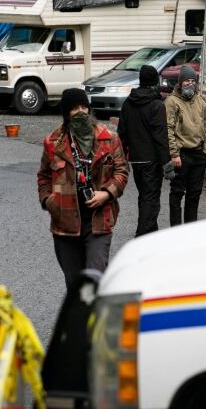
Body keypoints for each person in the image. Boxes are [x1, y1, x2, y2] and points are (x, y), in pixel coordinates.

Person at [37, 88, 129, 291]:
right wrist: (49, 201)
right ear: (66, 113)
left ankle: (95, 322)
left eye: (83, 107)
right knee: (75, 285)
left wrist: (106, 193)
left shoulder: (109, 138)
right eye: (74, 108)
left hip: (99, 220)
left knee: (95, 281)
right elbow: (43, 176)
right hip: (65, 223)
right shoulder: (53, 142)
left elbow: (122, 171)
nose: (80, 112)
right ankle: (79, 322)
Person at [117, 65, 170, 236]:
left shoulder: (128, 103)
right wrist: (167, 164)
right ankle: (144, 234)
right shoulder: (157, 105)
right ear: (155, 81)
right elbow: (160, 137)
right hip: (152, 159)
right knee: (151, 197)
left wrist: (122, 158)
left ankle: (150, 230)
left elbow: (121, 132)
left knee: (144, 195)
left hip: (135, 158)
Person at [164, 64, 206, 226]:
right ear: (180, 82)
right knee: (177, 193)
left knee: (194, 193)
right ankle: (175, 229)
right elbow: (168, 128)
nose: (190, 83)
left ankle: (190, 228)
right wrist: (174, 154)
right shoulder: (172, 101)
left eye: (193, 80)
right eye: (186, 81)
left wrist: (205, 151)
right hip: (181, 155)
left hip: (198, 154)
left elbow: (205, 125)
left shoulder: (200, 101)